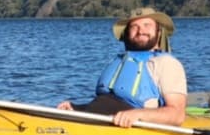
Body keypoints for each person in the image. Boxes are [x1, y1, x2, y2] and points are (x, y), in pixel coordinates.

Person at [58, 7, 187, 127]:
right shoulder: (119, 61)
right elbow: (106, 103)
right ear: (127, 33)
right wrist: (77, 108)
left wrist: (137, 114)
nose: (140, 31)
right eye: (134, 27)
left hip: (128, 125)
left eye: (147, 25)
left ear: (158, 33)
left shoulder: (166, 63)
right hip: (101, 118)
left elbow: (177, 115)